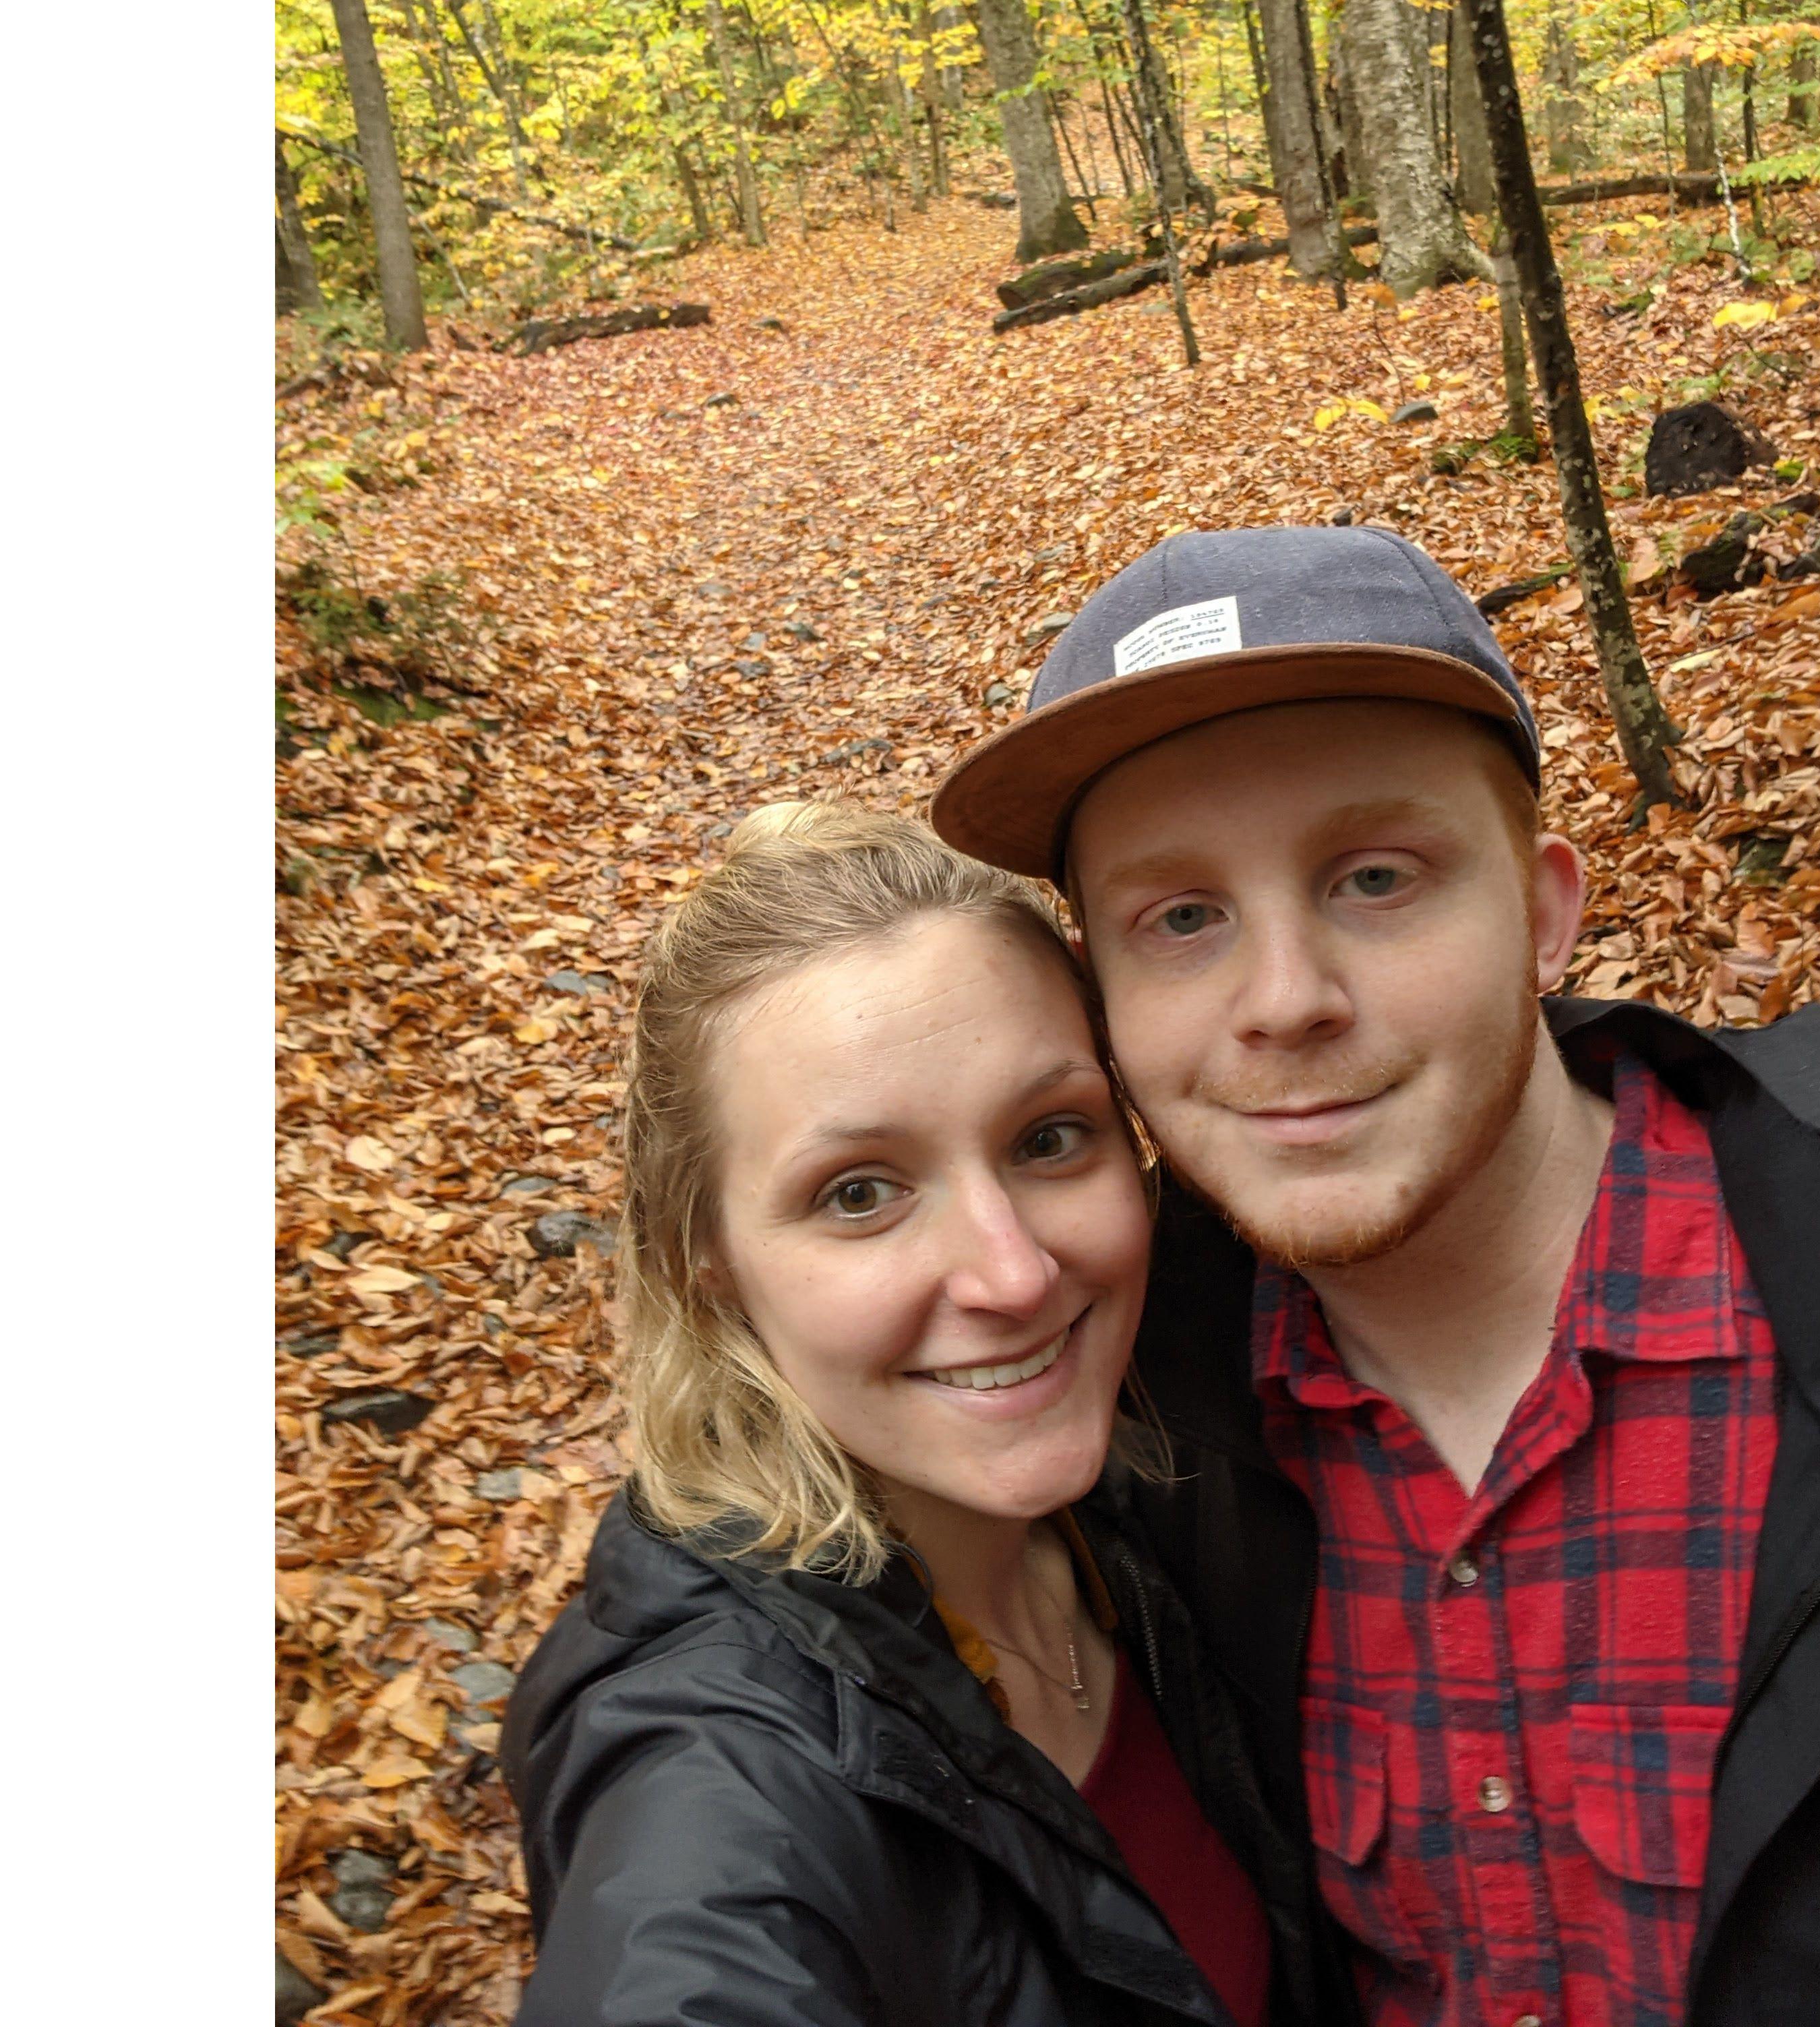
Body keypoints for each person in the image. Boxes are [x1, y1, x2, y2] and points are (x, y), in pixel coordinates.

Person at [932, 526, 1820, 2027]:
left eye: (1376, 877)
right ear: (1105, 1001)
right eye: (1182, 919)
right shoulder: (1098, 1395)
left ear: (1542, 908)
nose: (1286, 1002)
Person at [502, 804, 1320, 2027]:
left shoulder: (1140, 1499)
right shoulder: (715, 1783)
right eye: (861, 1194)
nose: (1014, 1275)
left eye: (1051, 1139)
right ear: (704, 1261)